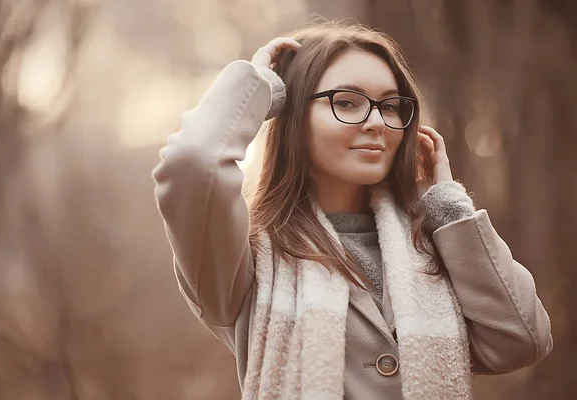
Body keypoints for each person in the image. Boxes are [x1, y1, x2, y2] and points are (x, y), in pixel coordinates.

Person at [153, 22, 552, 399]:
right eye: (346, 101)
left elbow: (522, 340)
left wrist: (447, 206)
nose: (377, 122)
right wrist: (255, 89)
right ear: (293, 117)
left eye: (391, 106)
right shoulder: (246, 259)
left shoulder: (432, 246)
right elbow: (193, 162)